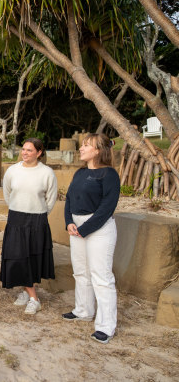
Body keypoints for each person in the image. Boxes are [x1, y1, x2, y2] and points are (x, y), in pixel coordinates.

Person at [63, 133, 120, 344]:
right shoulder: (80, 172)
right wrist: (69, 221)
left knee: (101, 277)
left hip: (99, 229)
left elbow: (107, 208)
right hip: (76, 228)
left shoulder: (109, 175)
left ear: (98, 151)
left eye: (86, 145)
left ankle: (106, 326)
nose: (81, 148)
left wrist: (84, 229)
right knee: (80, 272)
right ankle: (83, 310)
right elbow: (69, 198)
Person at [0, 138, 58, 314]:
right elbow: (7, 194)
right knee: (17, 257)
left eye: (29, 150)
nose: (24, 153)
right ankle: (27, 292)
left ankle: (34, 298)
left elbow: (51, 199)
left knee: (31, 259)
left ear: (39, 153)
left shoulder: (47, 173)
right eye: (23, 149)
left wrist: (37, 212)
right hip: (16, 218)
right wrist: (19, 208)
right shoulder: (12, 170)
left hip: (37, 221)